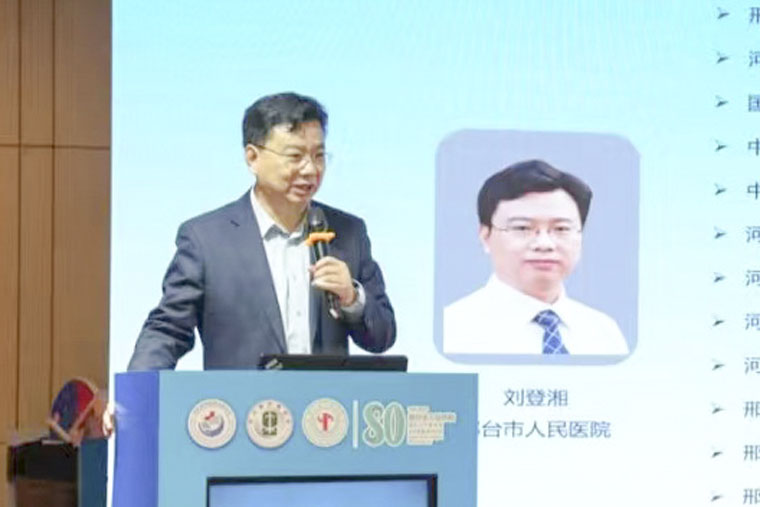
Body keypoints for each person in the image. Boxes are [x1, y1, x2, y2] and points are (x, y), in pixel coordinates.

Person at [128, 92, 396, 370]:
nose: (310, 169)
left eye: (318, 155)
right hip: (240, 398)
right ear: (252, 158)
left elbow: (383, 336)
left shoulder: (349, 232)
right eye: (295, 156)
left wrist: (352, 298)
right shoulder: (206, 240)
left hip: (325, 399)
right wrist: (138, 390)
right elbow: (168, 329)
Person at [443, 159, 628, 356]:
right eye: (522, 228)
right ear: (485, 236)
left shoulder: (604, 333)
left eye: (561, 229)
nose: (544, 244)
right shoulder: (451, 330)